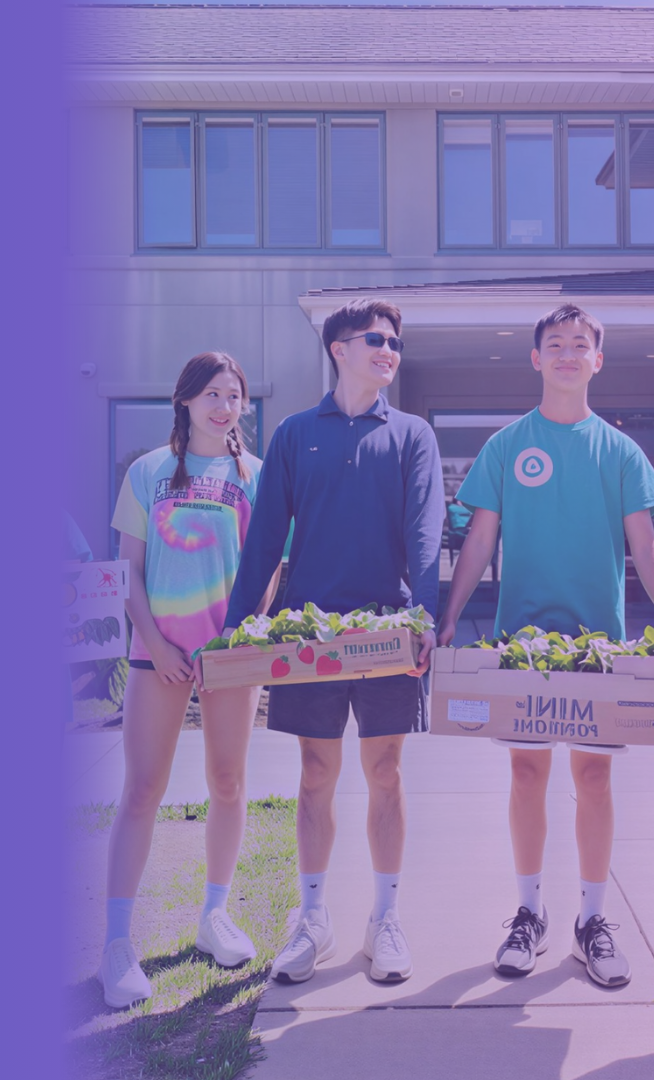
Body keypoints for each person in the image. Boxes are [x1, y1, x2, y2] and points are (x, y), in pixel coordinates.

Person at [437, 304, 654, 990]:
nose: (569, 354)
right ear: (536, 359)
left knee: (594, 779)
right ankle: (529, 912)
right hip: (523, 649)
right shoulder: (507, 445)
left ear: (598, 360)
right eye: (556, 344)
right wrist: (450, 615)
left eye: (581, 345)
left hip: (599, 649)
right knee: (526, 776)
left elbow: (646, 546)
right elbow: (480, 539)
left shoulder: (621, 451)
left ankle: (592, 922)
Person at [222, 298, 442, 986]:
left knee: (385, 775)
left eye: (395, 341)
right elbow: (263, 542)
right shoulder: (294, 434)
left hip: (386, 635)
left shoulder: (411, 434)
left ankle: (386, 919)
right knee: (315, 777)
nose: (389, 349)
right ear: (339, 349)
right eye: (375, 339)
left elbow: (425, 531)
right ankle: (313, 920)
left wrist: (425, 616)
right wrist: (235, 628)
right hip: (309, 637)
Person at [99, 352, 266, 1009]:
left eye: (234, 395)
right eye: (211, 394)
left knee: (228, 781)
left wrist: (239, 640)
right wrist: (160, 644)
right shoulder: (145, 472)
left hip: (230, 655)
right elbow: (128, 571)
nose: (224, 406)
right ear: (186, 401)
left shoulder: (252, 475)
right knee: (142, 788)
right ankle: (117, 944)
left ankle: (215, 918)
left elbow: (266, 567)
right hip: (158, 655)